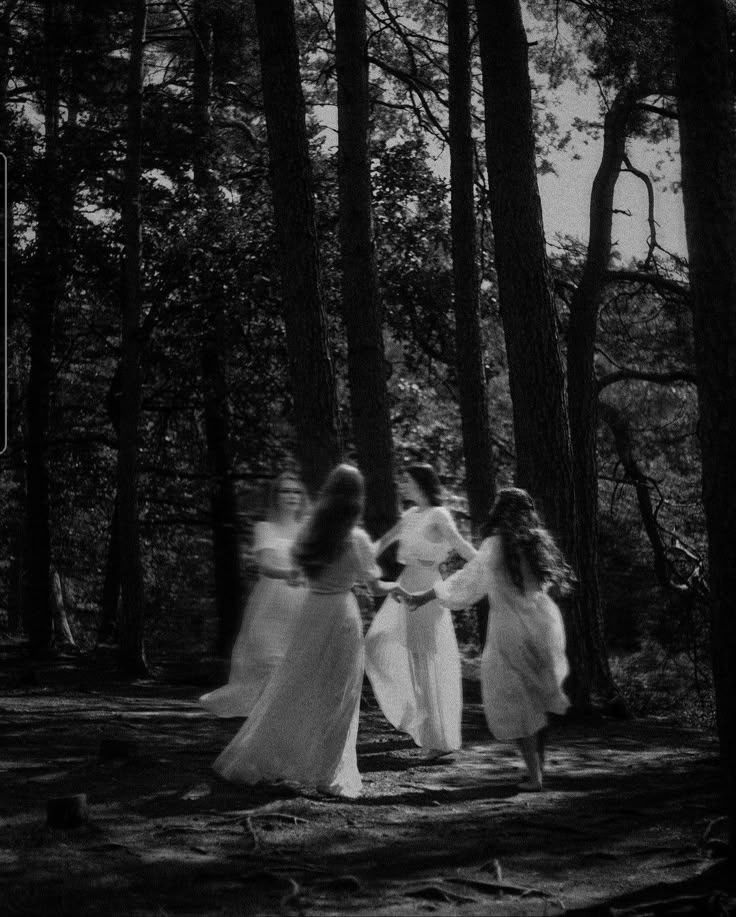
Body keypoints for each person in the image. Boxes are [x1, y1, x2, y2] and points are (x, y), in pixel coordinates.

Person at [212, 463, 396, 798]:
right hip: (341, 613)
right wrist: (401, 587)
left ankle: (273, 756)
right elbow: (376, 586)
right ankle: (328, 771)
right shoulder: (356, 538)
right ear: (356, 499)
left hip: (312, 611)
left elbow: (297, 575)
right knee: (341, 691)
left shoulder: (311, 531)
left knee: (295, 684)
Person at [398, 487, 573, 791]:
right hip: (544, 623)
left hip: (509, 628)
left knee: (517, 702)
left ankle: (535, 776)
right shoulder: (538, 542)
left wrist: (424, 596)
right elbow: (549, 583)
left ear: (499, 512)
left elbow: (466, 581)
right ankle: (537, 771)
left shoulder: (495, 546)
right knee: (537, 699)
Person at [364, 463, 477, 759]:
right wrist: (358, 556)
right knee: (379, 643)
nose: (403, 484)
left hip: (427, 587)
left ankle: (437, 738)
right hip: (404, 585)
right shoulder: (409, 515)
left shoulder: (438, 515)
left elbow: (461, 546)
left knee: (425, 657)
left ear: (422, 484)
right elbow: (384, 541)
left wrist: (487, 564)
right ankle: (415, 716)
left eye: (407, 480)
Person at [199, 471, 308, 718]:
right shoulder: (265, 528)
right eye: (285, 491)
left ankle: (286, 714)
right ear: (276, 497)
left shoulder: (307, 528)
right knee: (268, 658)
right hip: (271, 603)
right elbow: (266, 565)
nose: (292, 496)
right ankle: (263, 714)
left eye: (296, 491)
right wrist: (291, 573)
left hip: (303, 602)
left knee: (297, 658)